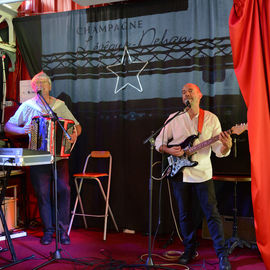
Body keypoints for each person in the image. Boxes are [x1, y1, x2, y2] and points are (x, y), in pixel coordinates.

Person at [155, 83, 232, 270]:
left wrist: (226, 145)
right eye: (183, 92)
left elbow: (218, 151)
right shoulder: (174, 118)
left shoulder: (211, 119)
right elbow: (158, 142)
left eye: (190, 91)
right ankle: (189, 250)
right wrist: (169, 150)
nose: (186, 94)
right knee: (184, 215)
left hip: (203, 173)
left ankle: (222, 255)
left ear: (199, 95)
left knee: (212, 215)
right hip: (180, 174)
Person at [4, 71, 82, 245]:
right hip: (37, 157)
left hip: (60, 157)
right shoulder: (27, 106)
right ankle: (48, 231)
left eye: (44, 82)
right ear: (33, 88)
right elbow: (9, 126)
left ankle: (62, 231)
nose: (41, 85)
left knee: (64, 190)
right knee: (43, 194)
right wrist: (21, 130)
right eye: (37, 83)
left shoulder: (59, 105)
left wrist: (75, 133)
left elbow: (77, 126)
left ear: (50, 86)